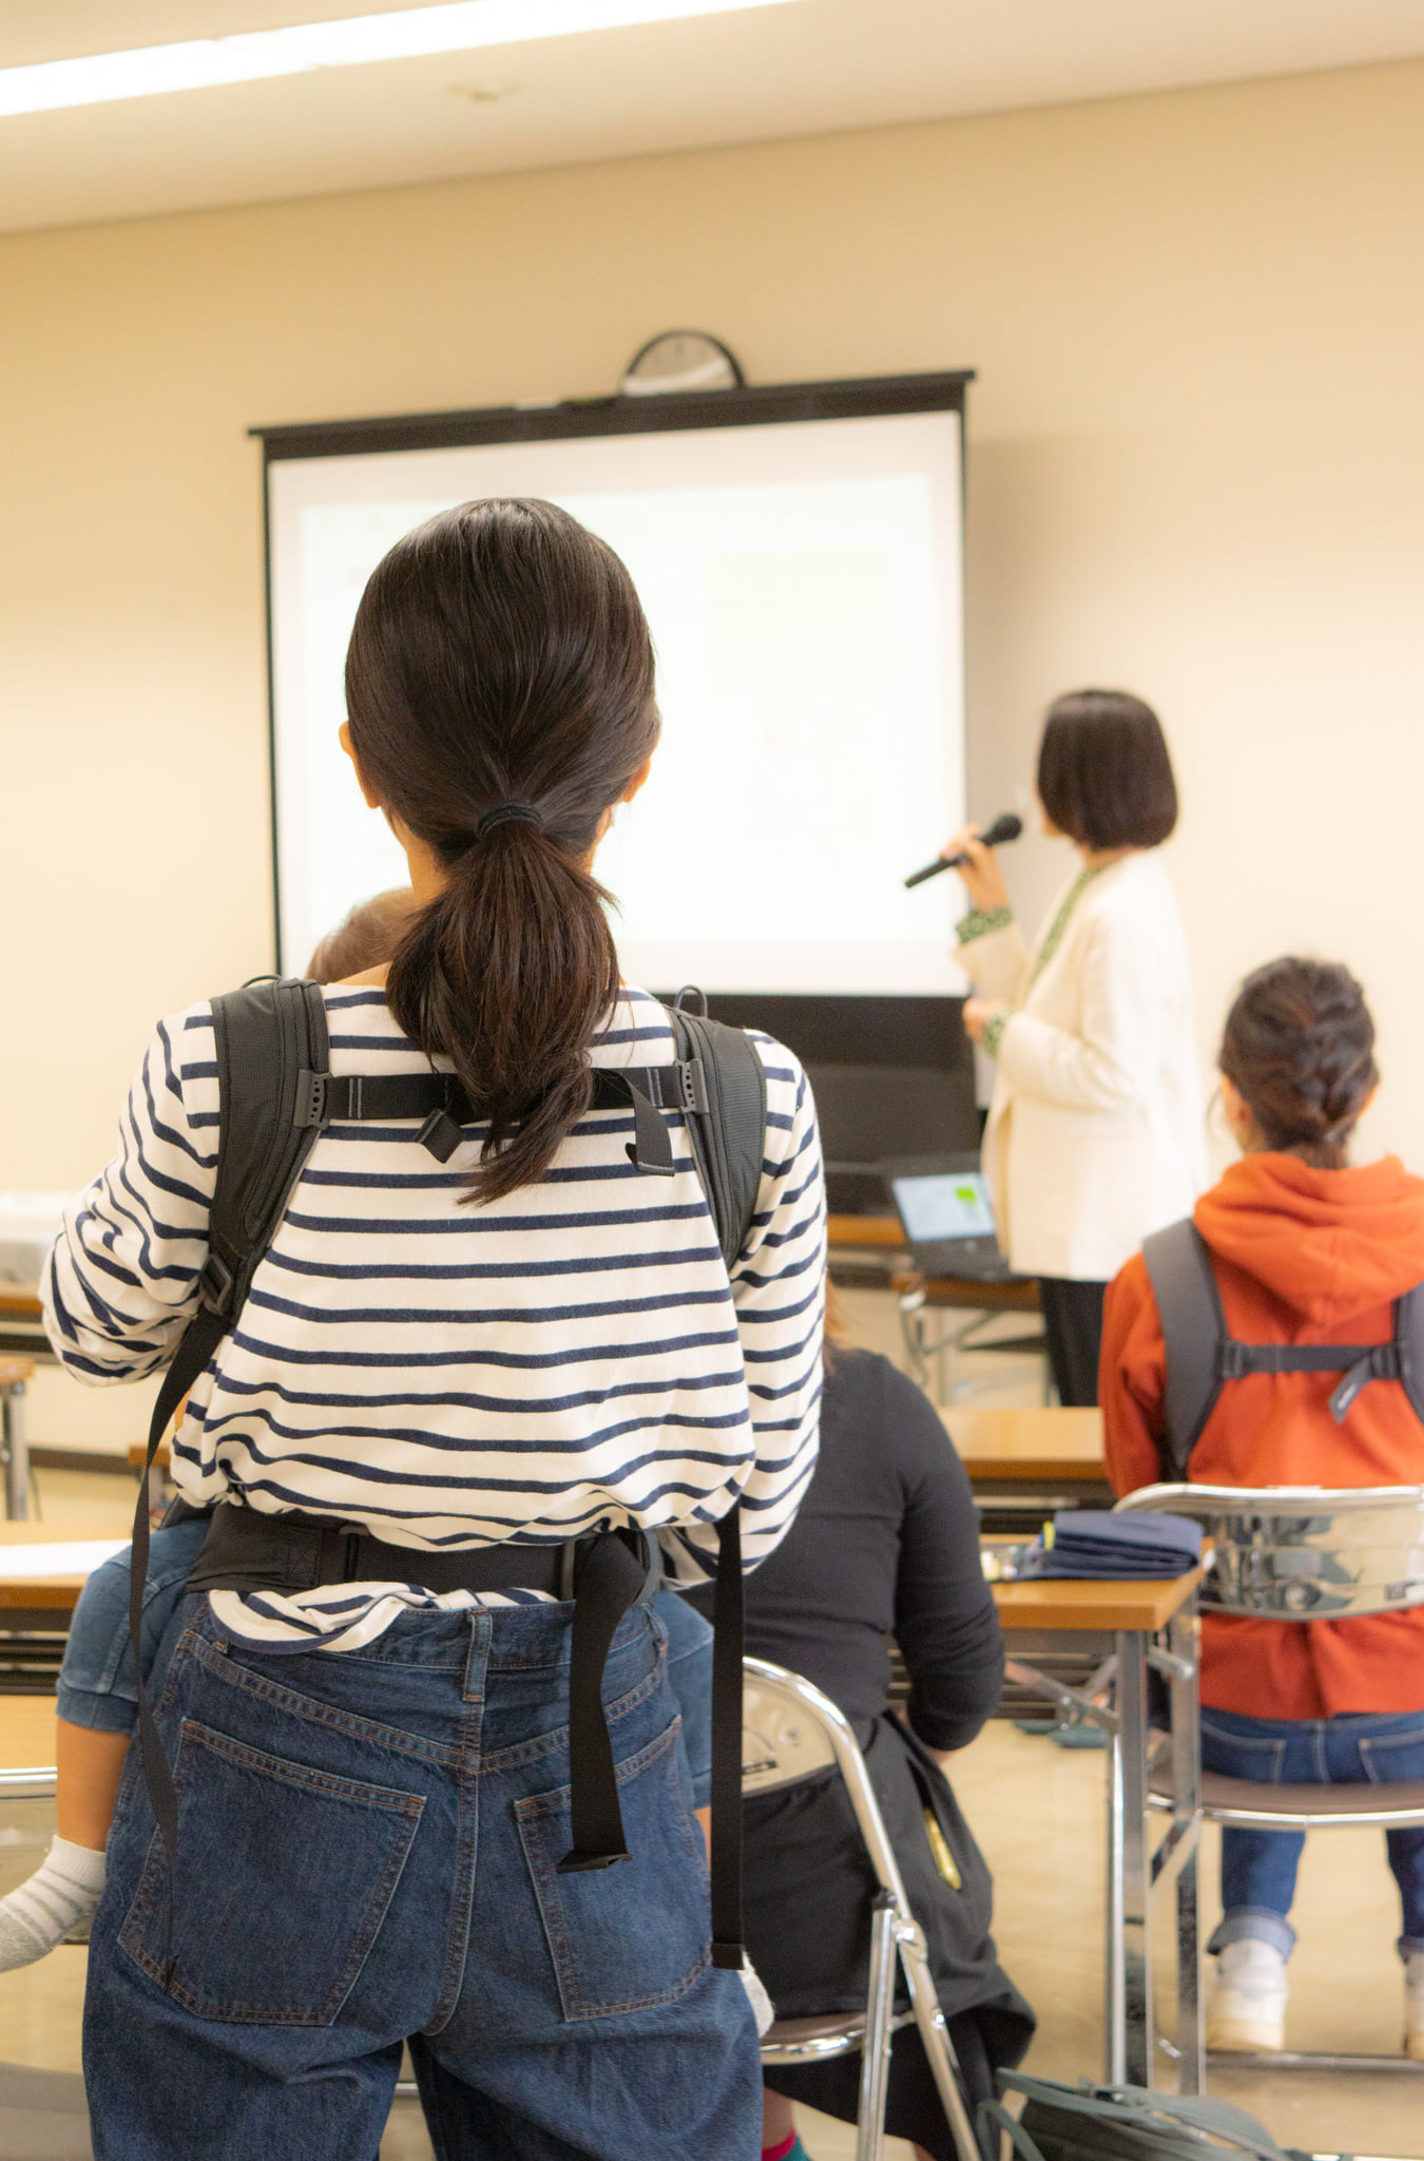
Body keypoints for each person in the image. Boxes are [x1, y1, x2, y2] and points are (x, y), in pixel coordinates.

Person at [41, 498, 825, 2159]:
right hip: (597, 1739)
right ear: (640, 763)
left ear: (358, 762)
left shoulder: (230, 1061)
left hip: (270, 1732)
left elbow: (98, 1329)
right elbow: (746, 1511)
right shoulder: (746, 1095)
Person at [0, 885, 719, 1974]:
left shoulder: (286, 1117)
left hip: (352, 1594)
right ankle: (78, 1861)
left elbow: (112, 1339)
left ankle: (700, 1910)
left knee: (124, 1594)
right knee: (685, 1647)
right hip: (541, 1590)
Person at [1101, 957, 1424, 2059]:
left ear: (1231, 1097)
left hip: (1229, 1725)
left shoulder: (1153, 1282)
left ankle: (1250, 1960)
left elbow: (1138, 1516)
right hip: (1422, 1715)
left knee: (1239, 1639)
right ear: (1369, 1090)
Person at [691, 1294, 1034, 2161]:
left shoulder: (568, 1416)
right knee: (932, 1945)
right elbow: (962, 1678)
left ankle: (764, 2142)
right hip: (838, 1902)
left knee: (723, 1892)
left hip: (616, 1874)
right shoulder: (875, 1399)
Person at [943, 689, 1205, 1405]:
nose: (1032, 788)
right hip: (1082, 1229)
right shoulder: (1099, 885)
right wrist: (991, 911)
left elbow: (1113, 1073)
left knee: (1095, 1431)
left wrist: (1000, 1030)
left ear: (1082, 778)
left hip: (1106, 1233)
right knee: (1082, 1421)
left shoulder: (1123, 911)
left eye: (1045, 766)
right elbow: (1045, 1009)